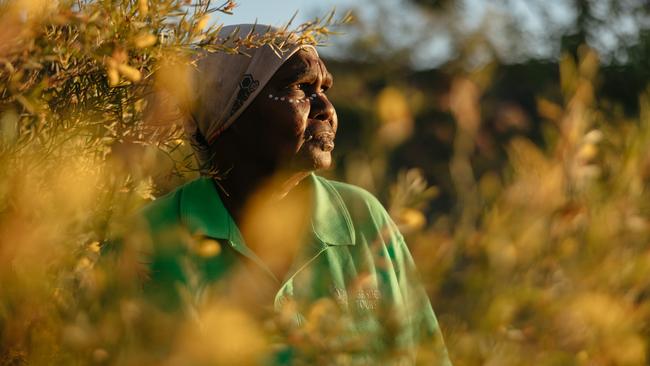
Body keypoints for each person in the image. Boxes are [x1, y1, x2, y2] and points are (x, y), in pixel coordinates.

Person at [138, 24, 452, 365]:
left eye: (324, 89)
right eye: (300, 88)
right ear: (231, 111)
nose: (326, 109)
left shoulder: (363, 218)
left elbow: (424, 354)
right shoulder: (150, 237)